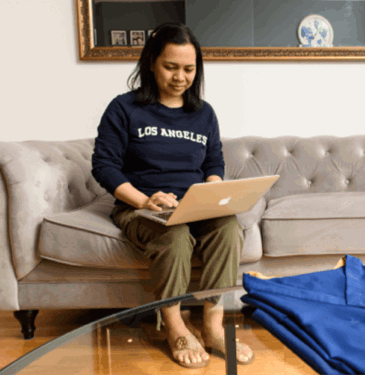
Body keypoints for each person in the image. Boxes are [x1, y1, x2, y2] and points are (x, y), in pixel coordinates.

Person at [91, 22, 254, 369]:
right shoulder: (124, 109)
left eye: (189, 69)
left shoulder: (203, 113)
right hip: (142, 208)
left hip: (195, 205)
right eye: (171, 67)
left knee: (227, 225)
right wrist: (143, 200)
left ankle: (212, 325)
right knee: (174, 233)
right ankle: (175, 325)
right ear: (151, 62)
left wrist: (212, 186)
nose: (180, 77)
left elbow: (214, 160)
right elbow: (104, 166)